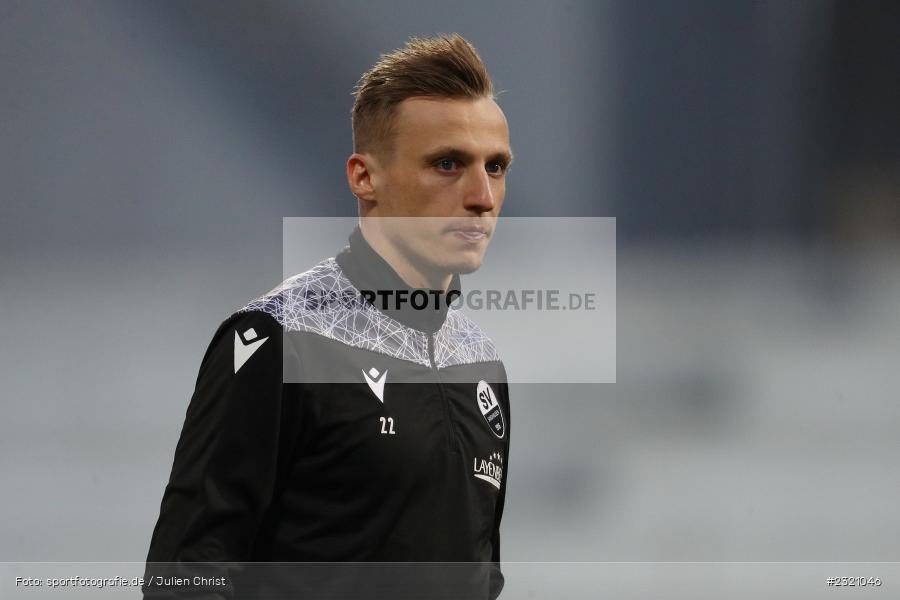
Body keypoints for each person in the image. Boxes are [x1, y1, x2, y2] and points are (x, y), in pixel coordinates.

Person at [143, 33, 512, 599]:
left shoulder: (482, 364)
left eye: (496, 166)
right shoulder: (277, 339)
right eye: (447, 164)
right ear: (365, 177)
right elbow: (185, 576)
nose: (482, 196)